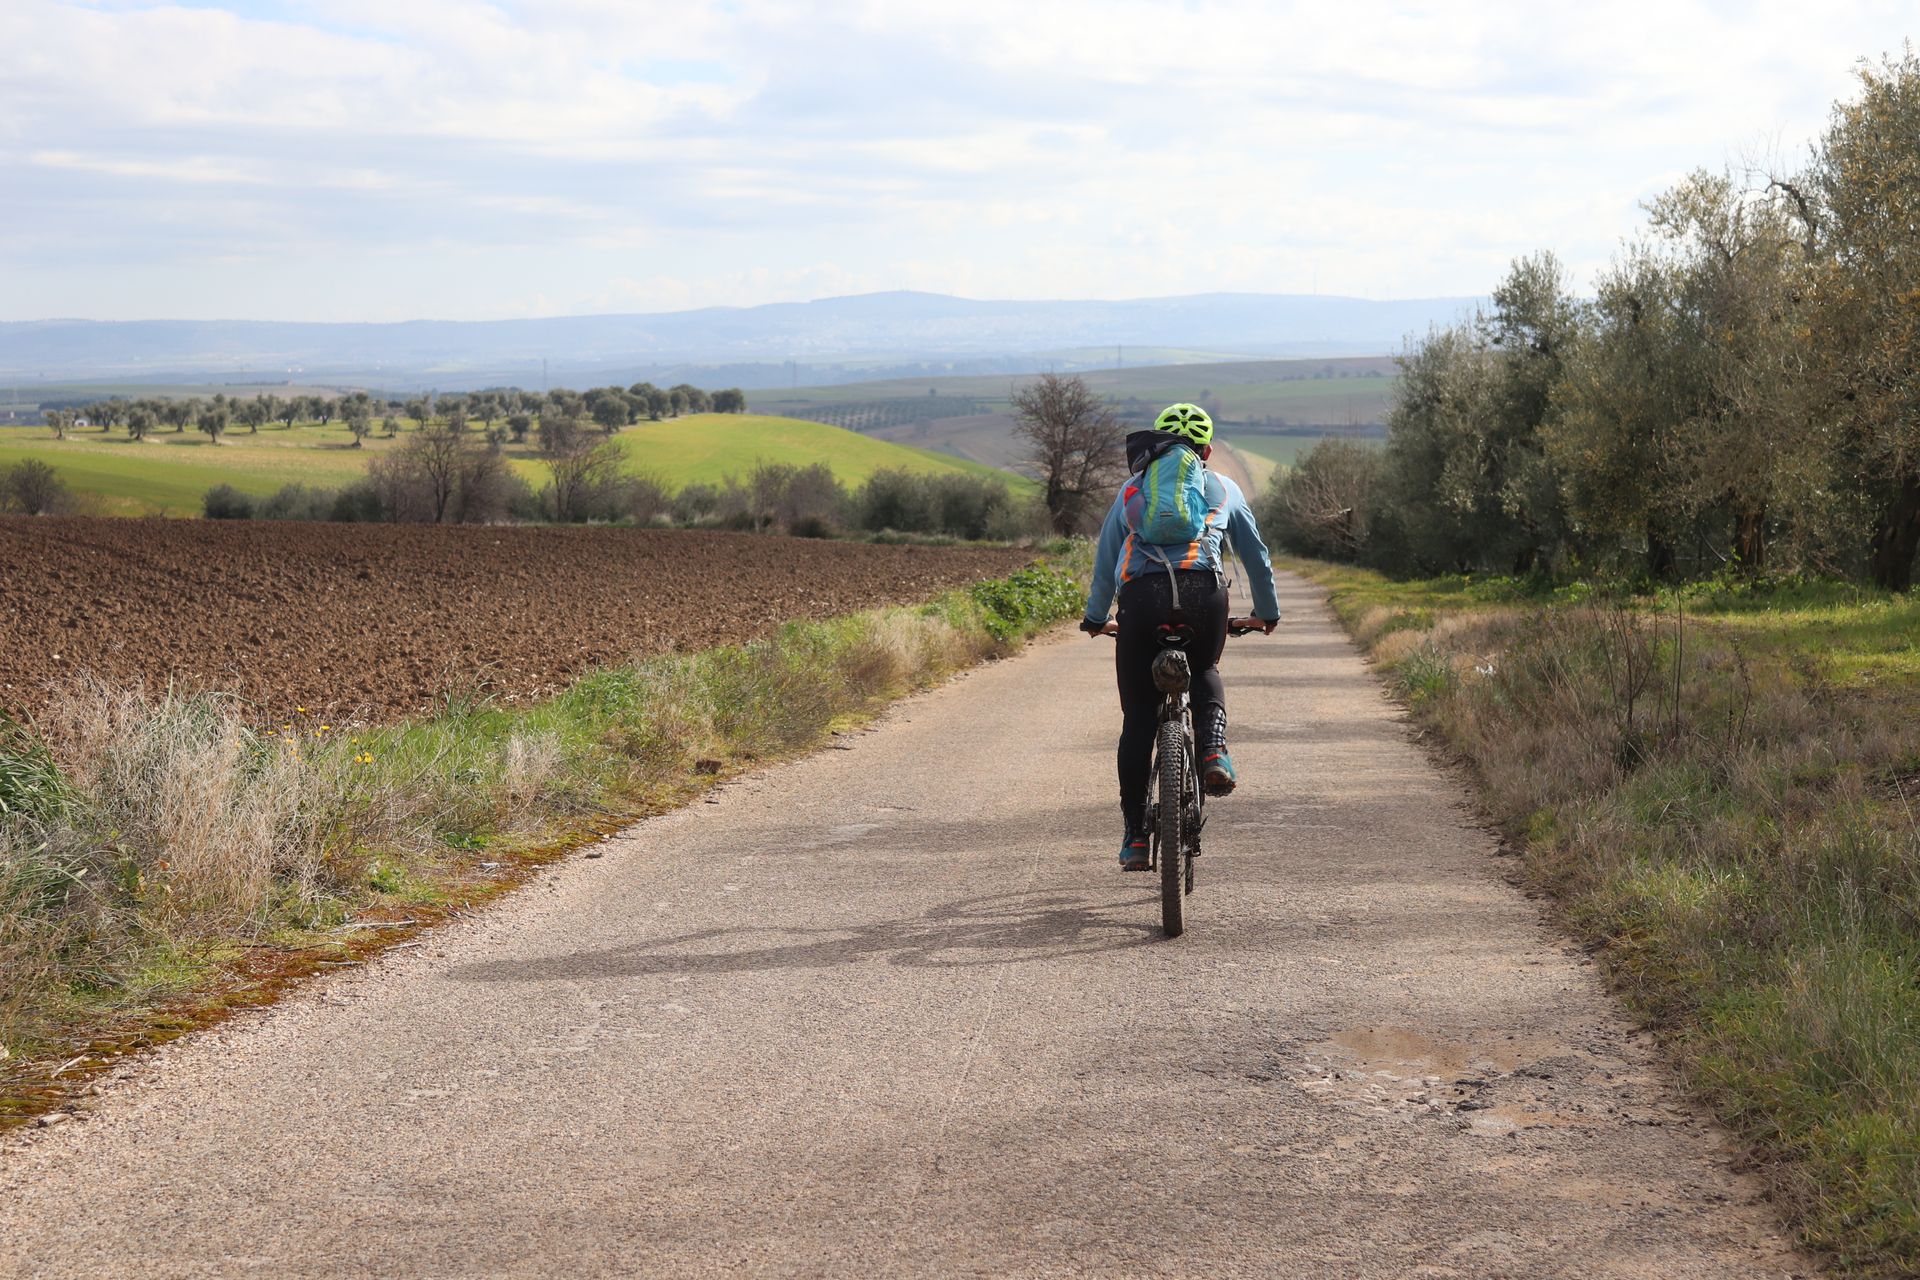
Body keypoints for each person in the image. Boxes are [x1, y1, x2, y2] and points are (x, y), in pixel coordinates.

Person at [1079, 403, 1280, 871]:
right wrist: (1265, 614)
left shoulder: (1131, 489)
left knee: (1137, 721)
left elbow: (1106, 562)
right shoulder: (1223, 488)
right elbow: (1256, 557)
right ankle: (1212, 750)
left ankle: (1133, 837)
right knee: (1205, 668)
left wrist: (1095, 618)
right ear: (1207, 450)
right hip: (1203, 596)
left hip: (1141, 599)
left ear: (1155, 445)